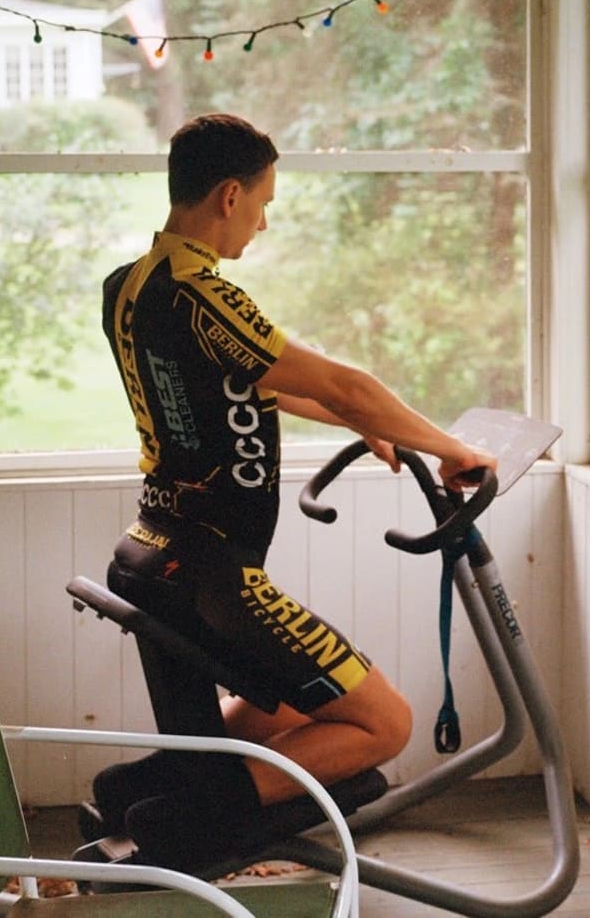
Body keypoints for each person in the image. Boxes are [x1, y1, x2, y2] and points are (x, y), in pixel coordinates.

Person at [92, 113, 497, 869]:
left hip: (152, 547)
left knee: (281, 703)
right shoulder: (203, 293)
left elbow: (245, 388)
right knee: (385, 724)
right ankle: (183, 811)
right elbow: (345, 380)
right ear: (228, 195)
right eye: (263, 203)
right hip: (218, 570)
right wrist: (454, 448)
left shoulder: (129, 287)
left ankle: (148, 782)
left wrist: (374, 424)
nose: (264, 222)